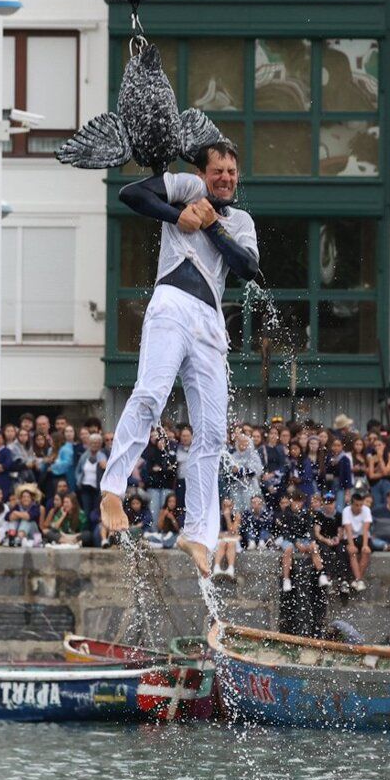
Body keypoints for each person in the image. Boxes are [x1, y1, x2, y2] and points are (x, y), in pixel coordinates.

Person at [97, 142, 261, 617]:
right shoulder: (188, 187)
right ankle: (112, 488)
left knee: (212, 433)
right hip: (171, 304)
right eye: (218, 170)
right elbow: (132, 194)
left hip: (210, 323)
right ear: (203, 172)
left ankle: (198, 535)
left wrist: (209, 226)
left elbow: (248, 268)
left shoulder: (241, 222)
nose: (225, 177)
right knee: (150, 393)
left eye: (232, 170)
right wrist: (176, 215)